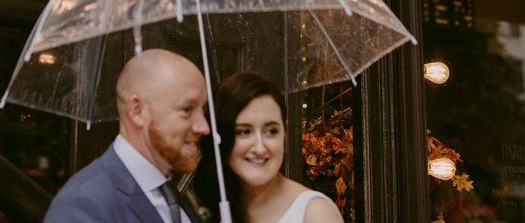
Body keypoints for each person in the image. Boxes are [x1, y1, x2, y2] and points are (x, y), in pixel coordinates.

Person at [43, 47, 211, 223]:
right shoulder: (83, 203)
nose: (204, 127)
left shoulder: (173, 196)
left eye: (203, 109)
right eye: (187, 109)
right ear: (137, 111)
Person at [196, 71, 344, 223]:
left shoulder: (315, 214)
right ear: (221, 136)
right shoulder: (206, 207)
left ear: (284, 134)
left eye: (271, 131)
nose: (260, 148)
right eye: (244, 131)